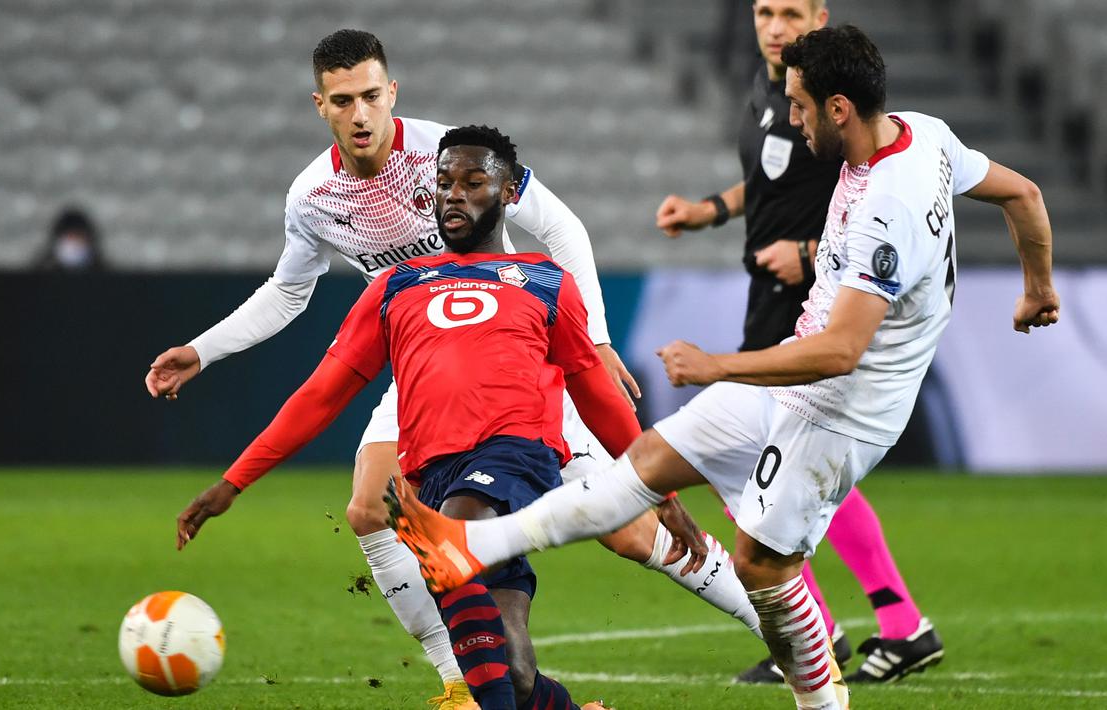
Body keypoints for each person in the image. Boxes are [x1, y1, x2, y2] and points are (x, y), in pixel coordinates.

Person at [388, 25, 1060, 710]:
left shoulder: (887, 209)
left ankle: (823, 704)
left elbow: (841, 351)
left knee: (761, 567)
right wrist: (1037, 288)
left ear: (836, 109)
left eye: (798, 107)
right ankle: (471, 546)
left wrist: (716, 365)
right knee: (649, 461)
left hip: (842, 410)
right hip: (799, 376)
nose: (790, 119)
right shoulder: (922, 132)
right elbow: (1024, 196)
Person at [147, 30, 757, 708]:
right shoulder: (312, 197)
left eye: (371, 97)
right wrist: (204, 350)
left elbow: (562, 229)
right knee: (369, 510)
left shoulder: (450, 155)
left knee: (624, 529)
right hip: (419, 366)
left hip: (514, 360)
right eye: (343, 100)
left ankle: (778, 625)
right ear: (320, 105)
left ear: (392, 93)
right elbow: (290, 293)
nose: (360, 114)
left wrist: (597, 337)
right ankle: (458, 684)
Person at [656, 0, 943, 684]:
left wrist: (810, 254)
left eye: (790, 12)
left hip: (816, 300)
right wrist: (711, 211)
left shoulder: (828, 100)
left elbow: (869, 203)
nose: (775, 26)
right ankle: (890, 622)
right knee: (793, 466)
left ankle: (814, 630)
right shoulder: (770, 89)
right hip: (767, 287)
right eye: (763, 11)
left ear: (819, 15)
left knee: (747, 465)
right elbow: (768, 178)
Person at [37, 206, 105, 271]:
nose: (74, 245)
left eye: (79, 238)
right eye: (70, 237)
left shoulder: (105, 275)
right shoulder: (38, 276)